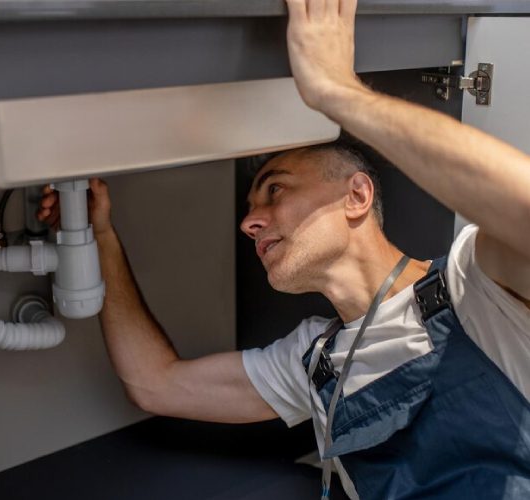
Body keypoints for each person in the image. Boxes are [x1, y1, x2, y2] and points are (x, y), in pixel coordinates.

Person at [38, 0, 530, 498]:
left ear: (356, 196)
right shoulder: (312, 361)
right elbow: (154, 384)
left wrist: (335, 92)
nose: (248, 222)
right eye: (251, 206)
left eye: (275, 190)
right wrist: (101, 236)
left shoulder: (477, 288)